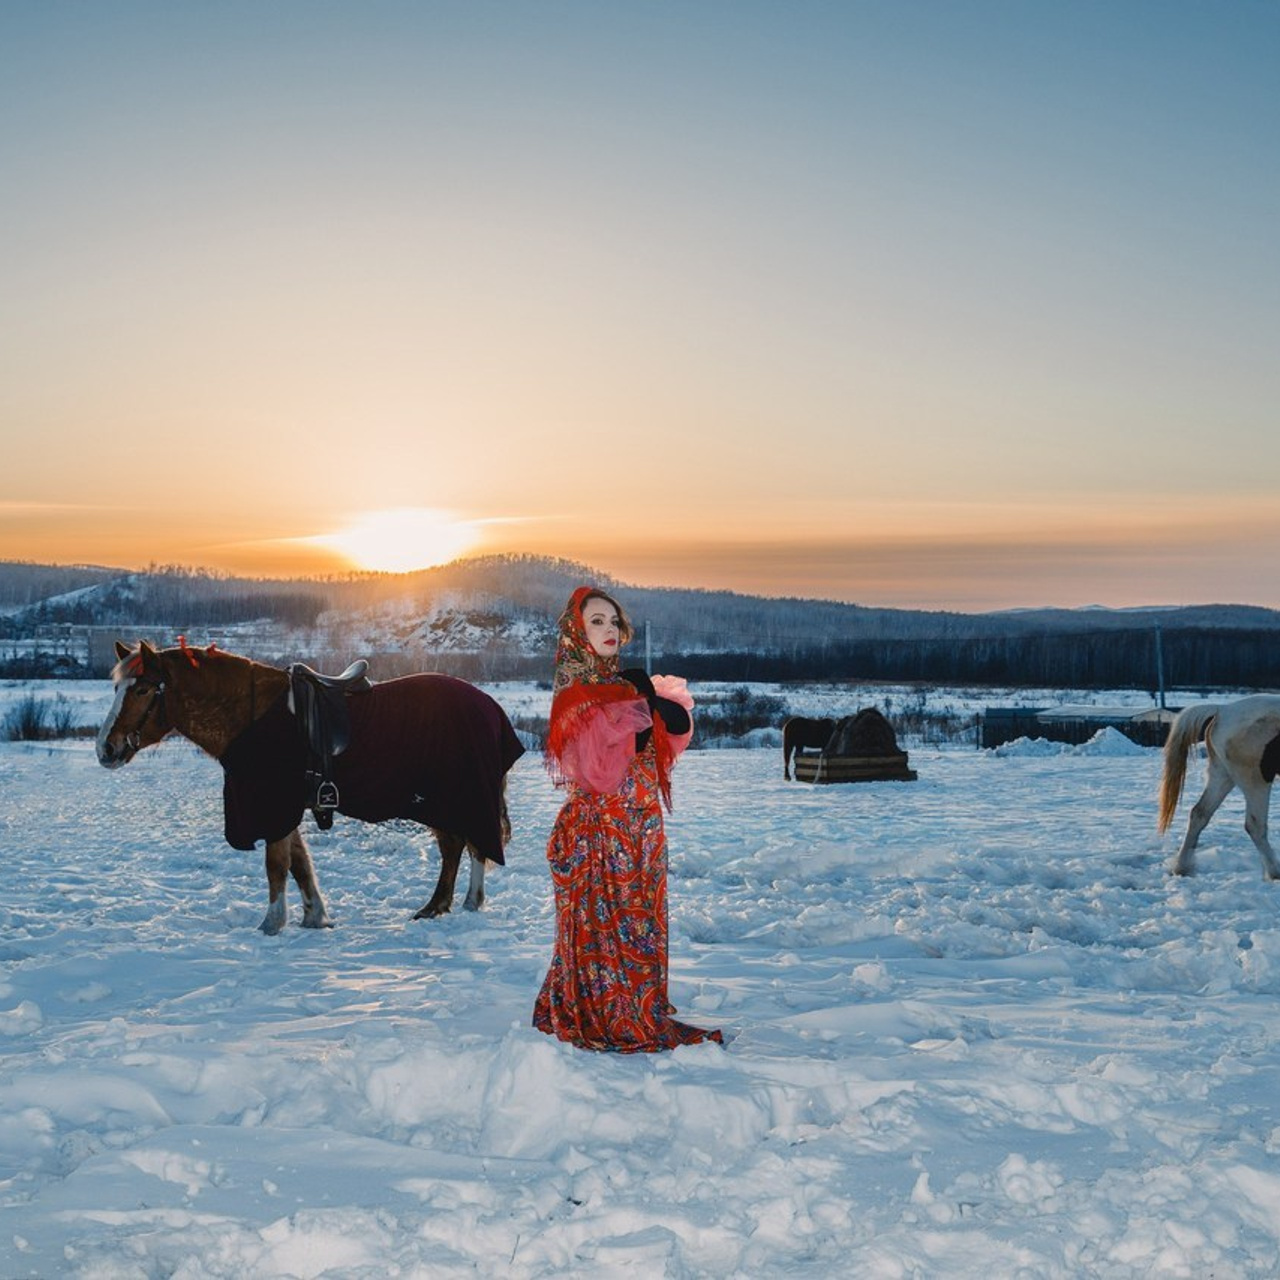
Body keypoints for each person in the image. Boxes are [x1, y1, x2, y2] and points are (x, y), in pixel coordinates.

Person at [532, 585, 722, 1052]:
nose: (608, 630)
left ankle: (637, 1003)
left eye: (613, 621)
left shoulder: (622, 686)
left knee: (640, 925)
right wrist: (638, 705)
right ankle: (610, 1014)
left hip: (639, 826)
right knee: (610, 927)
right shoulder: (576, 695)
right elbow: (598, 771)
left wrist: (648, 702)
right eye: (596, 621)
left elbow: (671, 737)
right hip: (601, 832)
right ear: (577, 632)